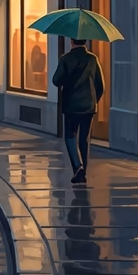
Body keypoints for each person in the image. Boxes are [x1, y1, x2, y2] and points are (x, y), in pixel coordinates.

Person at [52, 38, 105, 184]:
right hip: (88, 106)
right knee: (84, 139)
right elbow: (101, 85)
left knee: (70, 136)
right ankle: (83, 172)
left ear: (71, 41)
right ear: (85, 42)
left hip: (70, 105)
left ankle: (78, 167)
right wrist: (94, 101)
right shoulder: (92, 59)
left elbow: (56, 80)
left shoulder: (66, 59)